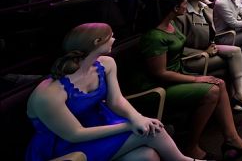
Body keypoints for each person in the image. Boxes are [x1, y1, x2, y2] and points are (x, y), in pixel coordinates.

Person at [26, 23, 195, 161]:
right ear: (97, 42)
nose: (114, 39)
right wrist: (129, 125)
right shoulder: (48, 94)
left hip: (98, 124)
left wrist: (137, 117)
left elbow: (116, 100)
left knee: (146, 156)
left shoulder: (107, 63)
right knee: (152, 131)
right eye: (111, 36)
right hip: (64, 146)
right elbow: (74, 134)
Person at [138, 0, 242, 159]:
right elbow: (160, 73)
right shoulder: (154, 36)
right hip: (158, 86)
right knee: (212, 90)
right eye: (185, 3)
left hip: (177, 74)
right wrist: (197, 78)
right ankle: (191, 146)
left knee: (219, 83)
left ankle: (231, 138)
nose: (187, 6)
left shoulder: (171, 24)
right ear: (175, 8)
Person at [176, 0, 242, 113]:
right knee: (229, 62)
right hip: (192, 56)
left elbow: (211, 33)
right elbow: (178, 46)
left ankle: (239, 94)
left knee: (235, 51)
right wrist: (203, 51)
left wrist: (211, 44)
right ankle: (232, 101)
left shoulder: (205, 8)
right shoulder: (182, 15)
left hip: (209, 48)